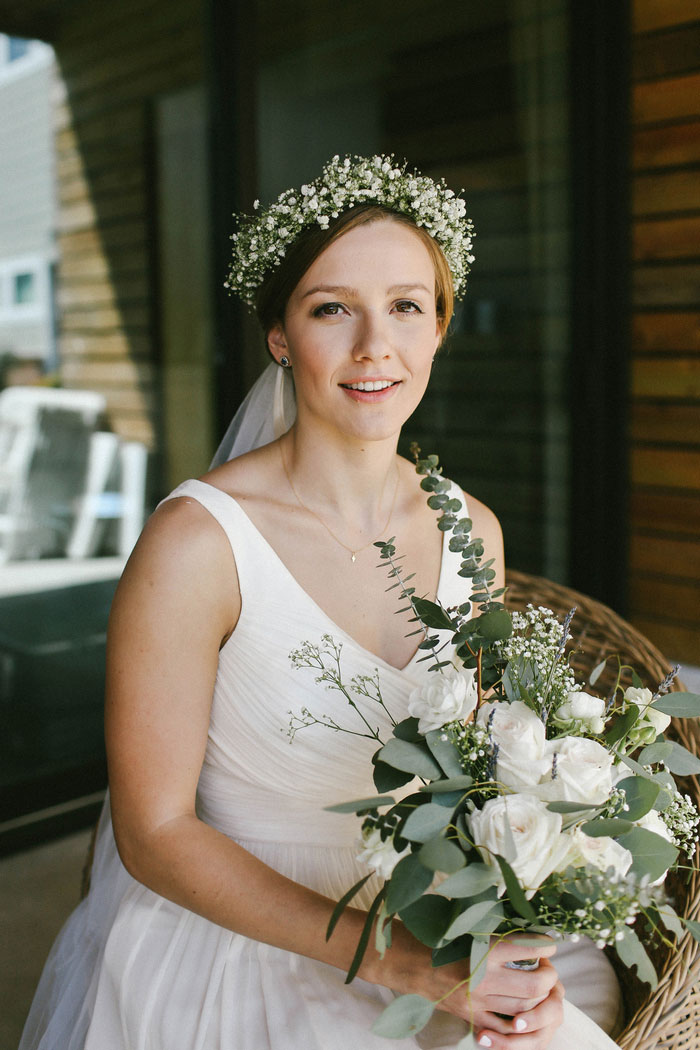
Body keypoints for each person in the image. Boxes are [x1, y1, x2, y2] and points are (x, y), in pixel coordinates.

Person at [20, 155, 623, 1050]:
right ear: (279, 336)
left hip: (430, 912)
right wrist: (395, 962)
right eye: (332, 307)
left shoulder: (474, 532)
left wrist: (496, 936)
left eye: (407, 307)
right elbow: (152, 834)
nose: (375, 344)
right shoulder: (196, 545)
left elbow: (487, 784)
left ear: (439, 330)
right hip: (241, 943)